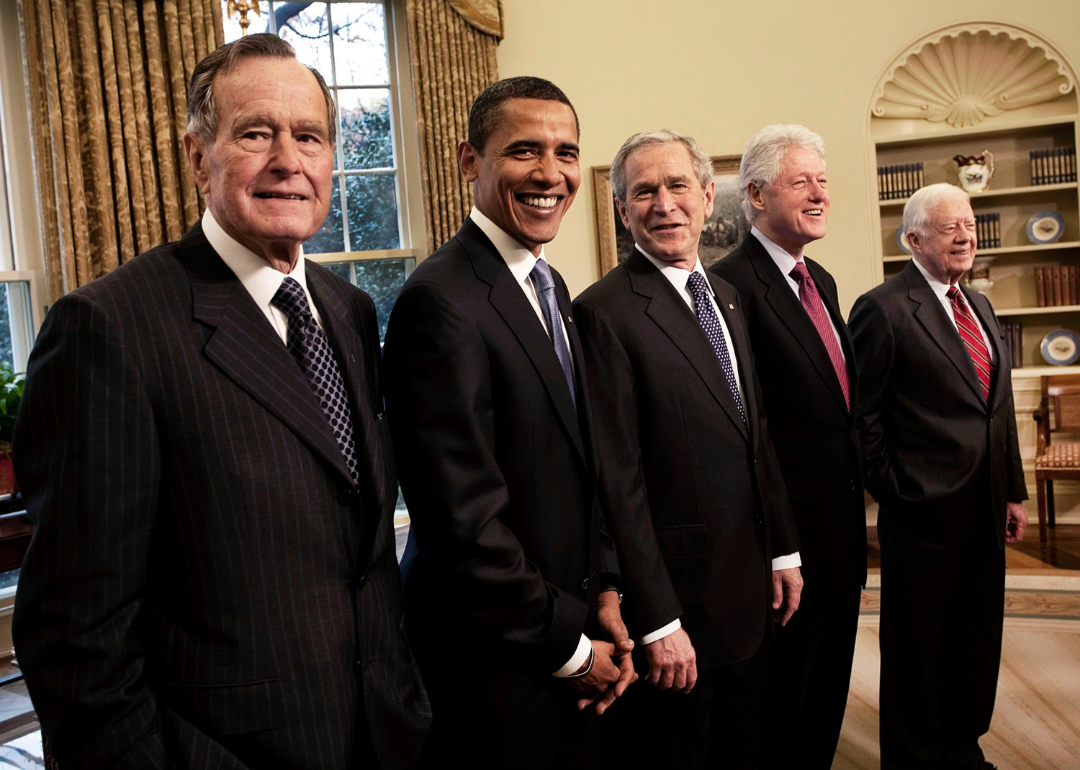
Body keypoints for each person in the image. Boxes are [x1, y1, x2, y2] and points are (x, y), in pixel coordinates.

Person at [11, 34, 428, 769]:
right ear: (197, 157)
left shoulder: (349, 310)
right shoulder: (109, 330)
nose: (288, 162)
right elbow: (76, 642)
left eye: (309, 137)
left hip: (381, 735)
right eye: (256, 133)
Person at [382, 77, 635, 769]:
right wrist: (571, 649)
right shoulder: (439, 302)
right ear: (470, 160)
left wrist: (606, 589)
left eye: (564, 151)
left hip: (569, 628)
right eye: (525, 151)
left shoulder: (550, 288)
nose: (550, 173)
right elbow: (461, 523)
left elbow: (584, 468)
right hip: (495, 661)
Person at [572, 129, 801, 768]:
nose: (663, 203)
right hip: (681, 610)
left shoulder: (726, 296)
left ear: (707, 198)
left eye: (677, 187)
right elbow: (619, 481)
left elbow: (756, 436)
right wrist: (659, 620)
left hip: (753, 588)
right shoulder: (603, 313)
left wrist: (782, 547)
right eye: (643, 192)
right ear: (623, 211)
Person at [849, 182, 1028, 770]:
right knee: (918, 647)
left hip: (986, 507)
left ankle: (961, 747)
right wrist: (898, 493)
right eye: (950, 226)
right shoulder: (884, 307)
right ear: (913, 238)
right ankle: (913, 756)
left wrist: (1015, 492)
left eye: (970, 224)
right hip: (923, 515)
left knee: (977, 640)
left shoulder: (978, 303)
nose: (966, 235)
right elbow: (863, 418)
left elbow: (996, 409)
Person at [709, 124, 866, 769]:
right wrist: (782, 546)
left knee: (827, 699)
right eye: (801, 182)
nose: (819, 194)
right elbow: (747, 431)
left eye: (822, 182)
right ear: (754, 194)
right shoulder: (728, 289)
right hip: (787, 547)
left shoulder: (821, 279)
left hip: (842, 535)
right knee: (785, 713)